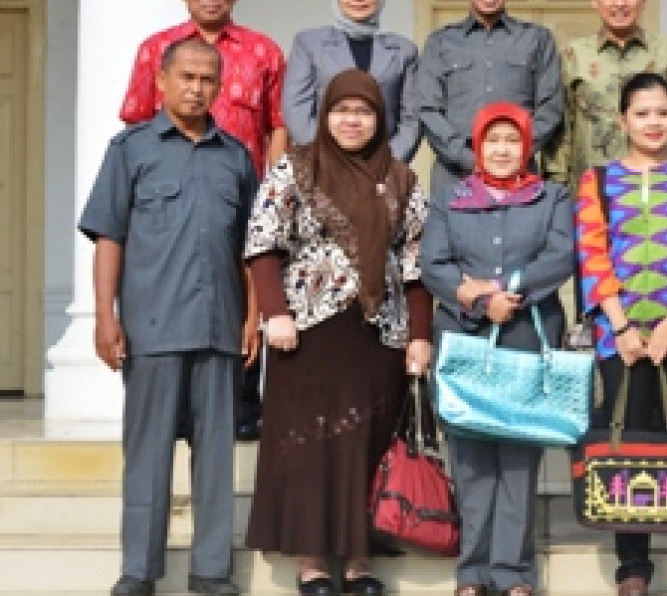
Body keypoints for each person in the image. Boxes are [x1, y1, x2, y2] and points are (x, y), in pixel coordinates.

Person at [242, 69, 431, 596]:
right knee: (310, 445)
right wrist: (275, 313)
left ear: (380, 119)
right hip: (305, 333)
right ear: (325, 115)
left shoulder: (400, 177)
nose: (352, 121)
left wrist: (419, 335)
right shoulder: (296, 167)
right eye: (342, 110)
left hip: (379, 336)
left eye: (364, 111)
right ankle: (312, 562)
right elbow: (262, 242)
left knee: (364, 444)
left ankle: (359, 560)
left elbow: (417, 263)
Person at [81, 39, 259, 596]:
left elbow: (251, 248)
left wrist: (252, 316)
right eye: (187, 77)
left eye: (208, 80)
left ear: (219, 86)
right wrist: (104, 317)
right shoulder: (130, 150)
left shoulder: (236, 157)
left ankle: (211, 571)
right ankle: (139, 569)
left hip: (219, 326)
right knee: (149, 453)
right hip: (152, 328)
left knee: (215, 457)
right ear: (161, 81)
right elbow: (109, 237)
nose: (197, 88)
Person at [119, 0, 288, 442]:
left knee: (242, 301)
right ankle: (170, 415)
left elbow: (278, 124)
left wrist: (272, 190)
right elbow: (135, 119)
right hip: (171, 202)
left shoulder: (264, 51)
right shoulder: (156, 48)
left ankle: (240, 410)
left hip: (241, 199)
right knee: (170, 299)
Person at [575, 72, 667, 596]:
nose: (653, 123)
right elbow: (592, 254)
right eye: (642, 114)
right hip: (619, 336)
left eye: (663, 112)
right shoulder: (596, 181)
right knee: (627, 443)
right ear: (623, 120)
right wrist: (620, 325)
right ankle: (633, 566)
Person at [420, 102, 575, 596]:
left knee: (518, 459)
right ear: (478, 146)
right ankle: (472, 572)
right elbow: (433, 263)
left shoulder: (551, 197)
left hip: (526, 336)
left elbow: (561, 255)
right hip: (464, 337)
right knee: (469, 457)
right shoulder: (450, 199)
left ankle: (513, 573)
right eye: (493, 140)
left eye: (512, 140)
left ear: (527, 146)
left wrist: (510, 290)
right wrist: (477, 300)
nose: (502, 150)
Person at [546, 0, 667, 188]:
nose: (620, 3)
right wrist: (557, 188)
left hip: (659, 189)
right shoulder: (573, 56)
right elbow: (562, 131)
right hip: (592, 190)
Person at [417, 0, 562, 199]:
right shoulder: (440, 42)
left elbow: (550, 108)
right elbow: (428, 110)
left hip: (519, 176)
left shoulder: (537, 39)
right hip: (455, 176)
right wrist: (469, 159)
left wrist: (510, 155)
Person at [283, 0, 421, 163]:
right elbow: (296, 110)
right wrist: (330, 162)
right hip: (322, 166)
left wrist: (386, 164)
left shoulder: (404, 50)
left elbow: (412, 119)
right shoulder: (308, 44)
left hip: (384, 167)